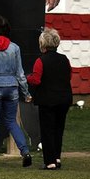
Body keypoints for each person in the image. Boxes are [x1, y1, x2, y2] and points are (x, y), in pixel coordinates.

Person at [0, 14, 33, 168]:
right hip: (12, 88)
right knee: (12, 122)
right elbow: (20, 74)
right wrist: (26, 93)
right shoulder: (15, 48)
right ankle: (25, 152)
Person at [26, 28, 73, 170]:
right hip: (64, 98)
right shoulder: (65, 59)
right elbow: (68, 76)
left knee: (47, 130)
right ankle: (57, 158)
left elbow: (36, 80)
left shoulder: (40, 61)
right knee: (59, 129)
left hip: (47, 100)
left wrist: (26, 77)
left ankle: (50, 161)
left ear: (43, 44)